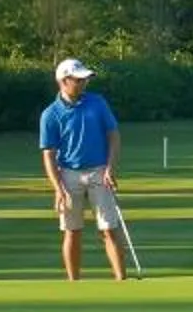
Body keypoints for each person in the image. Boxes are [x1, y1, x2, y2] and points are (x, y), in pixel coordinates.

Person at [38, 57, 131, 281]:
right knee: (72, 231)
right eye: (78, 80)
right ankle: (74, 283)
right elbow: (48, 155)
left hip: (99, 171)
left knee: (109, 228)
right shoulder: (50, 114)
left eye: (84, 80)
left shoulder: (97, 103)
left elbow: (113, 135)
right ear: (64, 81)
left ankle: (121, 280)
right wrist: (58, 189)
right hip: (68, 175)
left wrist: (110, 168)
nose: (83, 83)